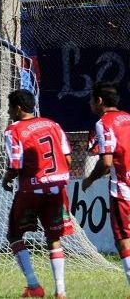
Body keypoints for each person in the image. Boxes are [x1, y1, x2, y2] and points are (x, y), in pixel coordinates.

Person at [1, 89, 73, 299]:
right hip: (56, 189)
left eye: (10, 108)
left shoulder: (13, 130)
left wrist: (6, 179)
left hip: (31, 190)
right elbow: (68, 159)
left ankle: (34, 285)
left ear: (18, 108)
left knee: (14, 235)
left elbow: (15, 165)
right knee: (53, 237)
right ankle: (60, 291)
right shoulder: (53, 124)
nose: (9, 112)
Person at [82, 82, 130, 287]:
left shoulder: (104, 123)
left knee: (124, 240)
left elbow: (106, 162)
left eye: (91, 99)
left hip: (123, 190)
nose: (89, 103)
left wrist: (90, 179)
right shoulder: (128, 117)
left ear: (99, 100)